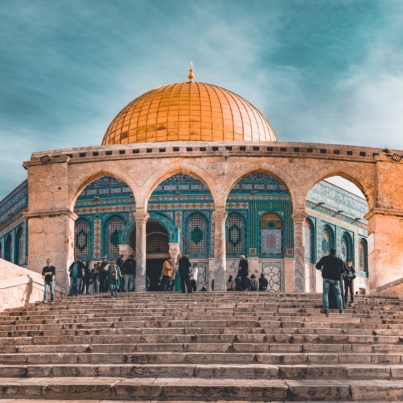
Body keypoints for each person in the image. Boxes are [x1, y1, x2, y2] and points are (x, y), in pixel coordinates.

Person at [316, 248, 346, 315]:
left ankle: (326, 309)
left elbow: (317, 266)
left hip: (326, 278)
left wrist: (321, 269)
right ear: (335, 253)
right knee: (338, 294)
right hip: (336, 279)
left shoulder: (325, 258)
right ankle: (341, 309)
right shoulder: (339, 260)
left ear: (329, 252)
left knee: (325, 293)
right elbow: (343, 270)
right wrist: (337, 273)